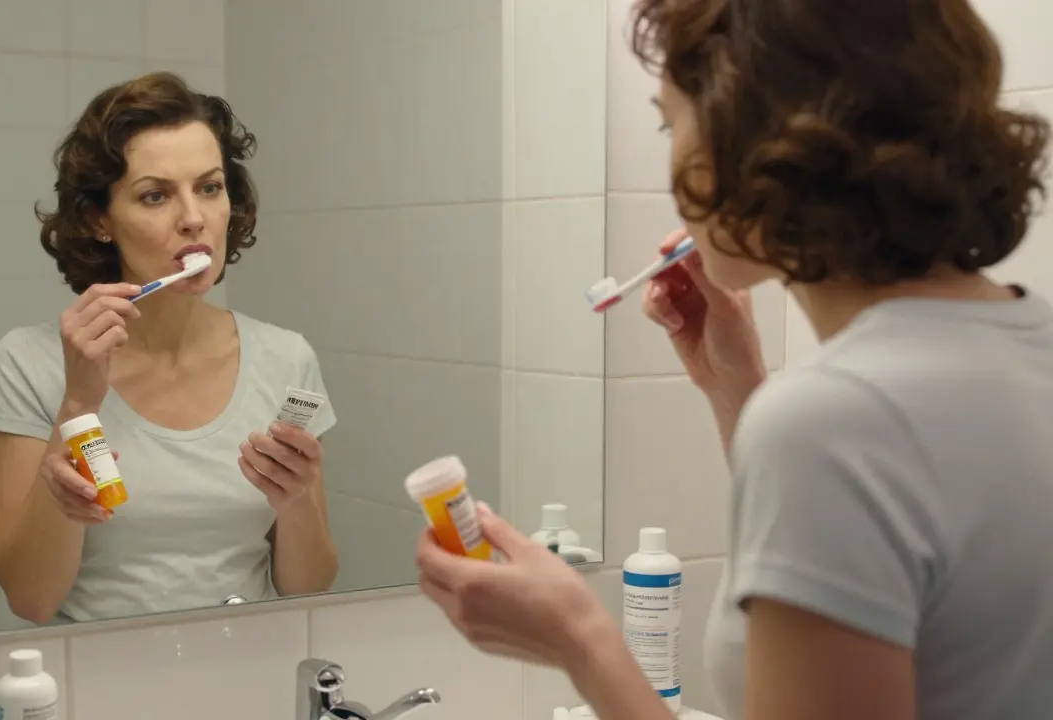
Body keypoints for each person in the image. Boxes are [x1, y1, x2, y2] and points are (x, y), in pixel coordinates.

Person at [415, 1, 1053, 718]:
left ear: (756, 138)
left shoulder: (835, 422)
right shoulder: (1029, 345)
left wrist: (580, 640)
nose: (669, 157)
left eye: (668, 120)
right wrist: (740, 390)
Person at [0, 72, 339, 624]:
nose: (193, 218)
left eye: (210, 187)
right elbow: (30, 600)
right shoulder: (29, 361)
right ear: (100, 220)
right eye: (155, 195)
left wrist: (294, 504)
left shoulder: (288, 359)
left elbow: (309, 589)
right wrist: (78, 405)